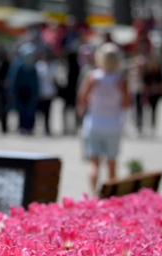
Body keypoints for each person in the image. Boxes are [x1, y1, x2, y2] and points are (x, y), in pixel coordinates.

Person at [77, 43, 130, 194]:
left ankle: (94, 193)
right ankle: (110, 195)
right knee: (111, 163)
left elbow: (82, 99)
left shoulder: (93, 77)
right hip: (113, 124)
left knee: (93, 163)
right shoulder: (120, 79)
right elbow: (127, 103)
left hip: (94, 122)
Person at [8, 44, 39, 135]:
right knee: (21, 110)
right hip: (21, 93)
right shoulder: (18, 66)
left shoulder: (33, 68)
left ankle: (29, 127)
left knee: (30, 111)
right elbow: (14, 81)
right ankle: (22, 127)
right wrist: (12, 93)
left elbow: (35, 83)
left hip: (30, 93)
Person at [35, 51, 59, 136]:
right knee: (39, 112)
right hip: (40, 93)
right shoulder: (39, 66)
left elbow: (54, 77)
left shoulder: (53, 66)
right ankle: (39, 128)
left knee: (48, 113)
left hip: (49, 93)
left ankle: (47, 128)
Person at [60, 50, 80, 135]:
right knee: (73, 112)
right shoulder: (77, 67)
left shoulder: (67, 68)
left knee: (67, 111)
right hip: (73, 93)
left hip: (69, 93)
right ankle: (73, 128)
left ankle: (66, 128)